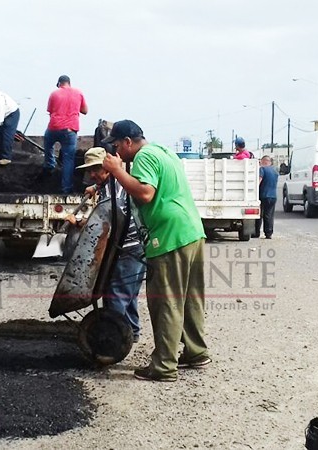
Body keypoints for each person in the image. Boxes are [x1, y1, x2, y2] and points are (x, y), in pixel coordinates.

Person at [101, 120, 210, 382]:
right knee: (190, 298)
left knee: (166, 301)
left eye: (116, 146)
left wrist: (117, 171)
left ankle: (163, 367)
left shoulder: (144, 157)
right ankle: (196, 352)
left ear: (128, 142)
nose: (115, 151)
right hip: (191, 231)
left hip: (169, 235)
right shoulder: (164, 151)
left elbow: (146, 193)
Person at [67, 147, 145, 342]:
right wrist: (96, 187)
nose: (92, 174)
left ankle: (112, 341)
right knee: (128, 292)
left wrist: (79, 223)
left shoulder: (114, 189)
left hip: (127, 248)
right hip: (134, 246)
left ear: (108, 167)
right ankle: (131, 333)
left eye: (96, 169)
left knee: (116, 295)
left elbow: (107, 222)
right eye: (89, 170)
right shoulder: (113, 183)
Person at [43, 75, 89, 193]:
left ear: (59, 84)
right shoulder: (78, 93)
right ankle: (66, 189)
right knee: (69, 159)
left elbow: (50, 111)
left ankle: (50, 165)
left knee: (48, 143)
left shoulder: (54, 94)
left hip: (54, 127)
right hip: (70, 130)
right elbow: (85, 111)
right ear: (69, 83)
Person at [254, 155, 279, 239]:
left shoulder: (262, 169)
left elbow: (259, 180)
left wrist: (253, 190)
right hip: (273, 196)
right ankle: (268, 233)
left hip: (264, 195)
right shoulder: (275, 171)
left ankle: (256, 232)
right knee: (269, 215)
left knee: (259, 215)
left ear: (263, 161)